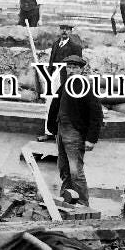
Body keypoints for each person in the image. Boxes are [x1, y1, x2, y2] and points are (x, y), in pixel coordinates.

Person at [46, 54, 103, 207]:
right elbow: (55, 106)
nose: (71, 70)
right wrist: (52, 127)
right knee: (64, 169)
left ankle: (83, 204)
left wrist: (91, 139)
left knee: (75, 171)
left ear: (81, 69)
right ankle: (67, 199)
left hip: (74, 133)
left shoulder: (85, 87)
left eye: (74, 67)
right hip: (61, 131)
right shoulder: (65, 85)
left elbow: (96, 114)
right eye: (68, 67)